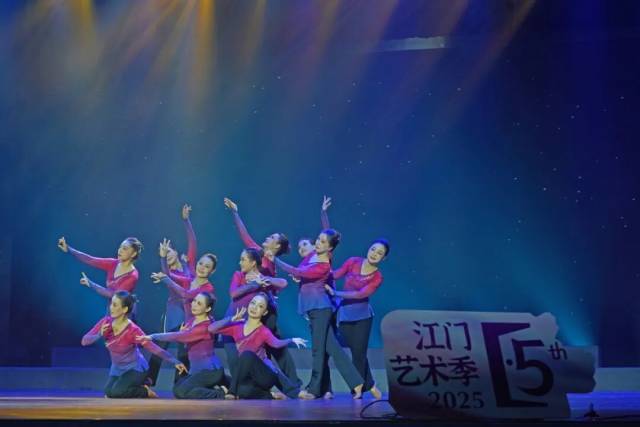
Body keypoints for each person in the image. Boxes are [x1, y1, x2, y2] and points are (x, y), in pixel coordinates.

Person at [81, 291, 187, 398]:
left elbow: (153, 348)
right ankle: (134, 385)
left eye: (115, 305)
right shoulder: (106, 322)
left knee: (117, 392)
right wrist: (99, 334)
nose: (111, 307)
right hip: (117, 368)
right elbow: (85, 341)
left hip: (135, 368)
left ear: (124, 309)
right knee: (109, 392)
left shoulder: (133, 330)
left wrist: (174, 361)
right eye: (111, 303)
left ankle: (144, 391)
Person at [209, 293, 307, 399]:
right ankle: (269, 395)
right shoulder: (237, 326)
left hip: (264, 376)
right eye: (253, 303)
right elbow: (211, 329)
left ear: (264, 312)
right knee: (243, 392)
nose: (255, 307)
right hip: (249, 377)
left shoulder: (263, 331)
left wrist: (291, 340)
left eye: (260, 306)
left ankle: (232, 391)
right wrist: (231, 319)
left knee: (247, 354)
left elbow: (276, 344)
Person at [137, 292, 228, 399]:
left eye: (199, 303)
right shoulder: (192, 321)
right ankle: (218, 387)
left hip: (210, 371)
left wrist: (152, 336)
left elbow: (177, 336)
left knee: (182, 392)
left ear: (207, 309)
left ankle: (220, 393)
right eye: (194, 301)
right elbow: (185, 340)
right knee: (177, 389)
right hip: (196, 371)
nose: (194, 305)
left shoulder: (204, 327)